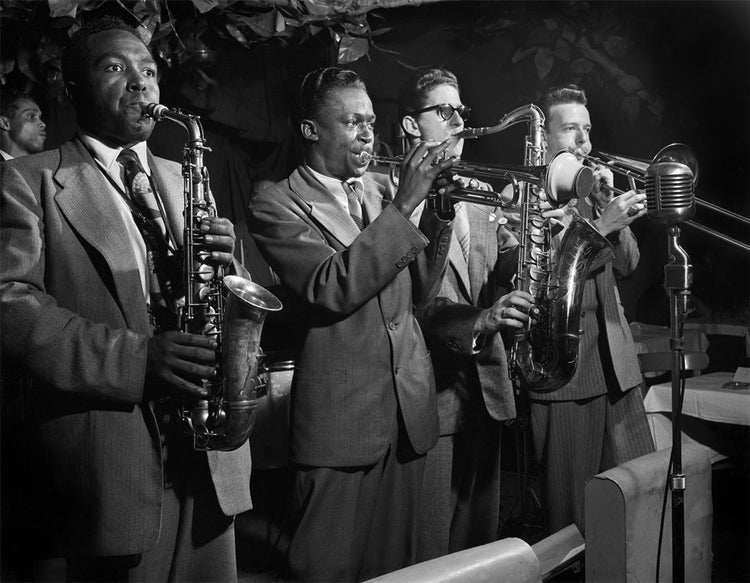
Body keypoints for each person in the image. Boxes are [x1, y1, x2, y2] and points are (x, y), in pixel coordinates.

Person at [0, 16, 252, 581]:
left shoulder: (186, 173)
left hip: (210, 456)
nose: (141, 83)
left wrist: (227, 263)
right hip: (109, 462)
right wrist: (138, 361)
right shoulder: (26, 179)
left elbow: (222, 296)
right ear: (71, 88)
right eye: (116, 67)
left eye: (150, 70)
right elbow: (9, 306)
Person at [248, 66, 457, 582]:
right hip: (340, 426)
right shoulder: (276, 201)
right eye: (351, 122)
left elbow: (421, 293)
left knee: (400, 573)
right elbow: (329, 286)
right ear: (311, 130)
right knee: (328, 571)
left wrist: (439, 213)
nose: (368, 133)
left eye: (370, 120)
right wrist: (406, 204)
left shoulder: (377, 190)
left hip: (407, 415)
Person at [397, 67, 535, 560]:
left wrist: (543, 238)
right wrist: (482, 320)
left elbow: (503, 265)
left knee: (482, 551)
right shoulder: (391, 195)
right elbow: (417, 302)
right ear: (413, 125)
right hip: (429, 392)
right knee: (431, 550)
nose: (459, 121)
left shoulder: (480, 192)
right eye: (445, 110)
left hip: (486, 388)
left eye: (462, 111)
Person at [528, 84, 655, 534]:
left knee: (640, 506)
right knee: (573, 520)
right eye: (571, 129)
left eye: (587, 130)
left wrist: (607, 213)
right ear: (544, 136)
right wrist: (601, 225)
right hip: (567, 374)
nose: (584, 142)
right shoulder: (520, 197)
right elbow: (541, 283)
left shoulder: (593, 194)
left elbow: (629, 264)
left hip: (618, 367)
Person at [0, 87, 46, 160]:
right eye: (31, 116)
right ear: (4, 123)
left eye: (40, 117)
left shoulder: (47, 166)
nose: (43, 124)